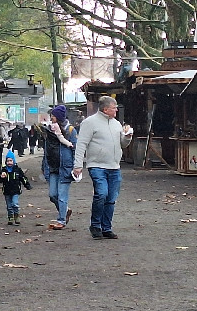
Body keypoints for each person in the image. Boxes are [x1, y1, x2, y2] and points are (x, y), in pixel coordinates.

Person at [72, 96, 134, 240]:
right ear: (105, 109)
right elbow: (81, 144)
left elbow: (122, 144)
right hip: (97, 165)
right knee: (101, 194)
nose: (116, 110)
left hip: (114, 166)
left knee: (111, 198)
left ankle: (106, 227)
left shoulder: (117, 124)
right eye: (114, 108)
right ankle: (95, 225)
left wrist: (128, 137)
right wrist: (78, 165)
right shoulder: (89, 123)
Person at [42, 104, 77, 230]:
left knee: (62, 196)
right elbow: (47, 149)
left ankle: (61, 220)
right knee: (53, 195)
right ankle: (65, 211)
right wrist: (44, 165)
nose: (51, 118)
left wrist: (76, 166)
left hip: (65, 167)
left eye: (53, 116)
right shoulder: (50, 131)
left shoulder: (71, 131)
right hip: (53, 167)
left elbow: (75, 149)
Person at [0, 154, 32, 225]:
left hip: (16, 190)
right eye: (8, 161)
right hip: (7, 191)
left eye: (11, 161)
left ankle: (16, 215)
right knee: (9, 206)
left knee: (15, 204)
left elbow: (23, 178)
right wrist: (1, 177)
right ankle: (10, 217)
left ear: (14, 161)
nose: (9, 162)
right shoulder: (4, 170)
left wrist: (27, 185)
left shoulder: (17, 170)